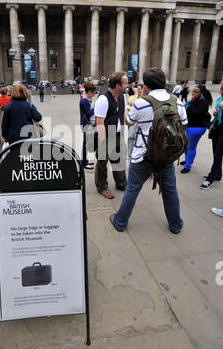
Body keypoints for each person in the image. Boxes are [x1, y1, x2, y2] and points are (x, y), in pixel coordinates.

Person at [110, 68, 187, 234]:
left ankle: (120, 221)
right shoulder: (177, 101)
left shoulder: (141, 103)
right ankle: (175, 225)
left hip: (142, 155)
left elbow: (128, 122)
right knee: (170, 190)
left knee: (132, 189)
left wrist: (124, 105)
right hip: (166, 155)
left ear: (146, 86)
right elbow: (184, 125)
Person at [94, 71, 128, 199]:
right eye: (125, 83)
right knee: (103, 161)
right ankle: (102, 186)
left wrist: (131, 122)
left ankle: (121, 183)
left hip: (118, 133)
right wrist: (103, 143)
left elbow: (122, 115)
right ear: (118, 85)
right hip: (106, 135)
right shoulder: (103, 99)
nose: (127, 85)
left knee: (119, 158)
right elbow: (100, 123)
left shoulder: (122, 97)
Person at [180, 84, 213, 173]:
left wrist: (193, 102)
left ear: (201, 93)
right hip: (190, 126)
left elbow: (197, 114)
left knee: (191, 147)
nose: (193, 93)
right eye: (193, 91)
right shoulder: (194, 101)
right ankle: (188, 161)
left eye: (196, 92)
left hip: (197, 128)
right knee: (187, 146)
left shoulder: (203, 102)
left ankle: (188, 165)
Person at [200, 81, 223, 189]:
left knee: (218, 154)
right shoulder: (221, 98)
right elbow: (218, 112)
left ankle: (210, 178)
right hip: (217, 127)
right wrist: (216, 113)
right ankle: (218, 174)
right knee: (216, 153)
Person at [80, 82, 97, 169]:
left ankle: (85, 160)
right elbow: (88, 113)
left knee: (85, 143)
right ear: (89, 92)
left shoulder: (85, 100)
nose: (93, 95)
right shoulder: (85, 101)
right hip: (86, 125)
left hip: (84, 124)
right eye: (93, 93)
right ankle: (83, 162)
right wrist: (96, 107)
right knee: (86, 144)